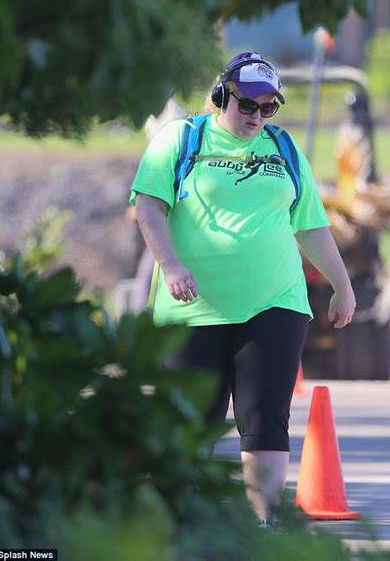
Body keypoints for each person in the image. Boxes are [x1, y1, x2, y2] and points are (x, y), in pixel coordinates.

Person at [129, 52, 356, 527]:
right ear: (220, 97)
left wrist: (342, 286)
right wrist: (169, 265)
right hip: (192, 306)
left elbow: (310, 226)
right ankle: (180, 526)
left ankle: (262, 529)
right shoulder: (181, 140)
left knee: (265, 418)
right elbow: (149, 206)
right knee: (189, 422)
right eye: (246, 105)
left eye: (267, 108)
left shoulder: (285, 150)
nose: (256, 117)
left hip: (274, 302)